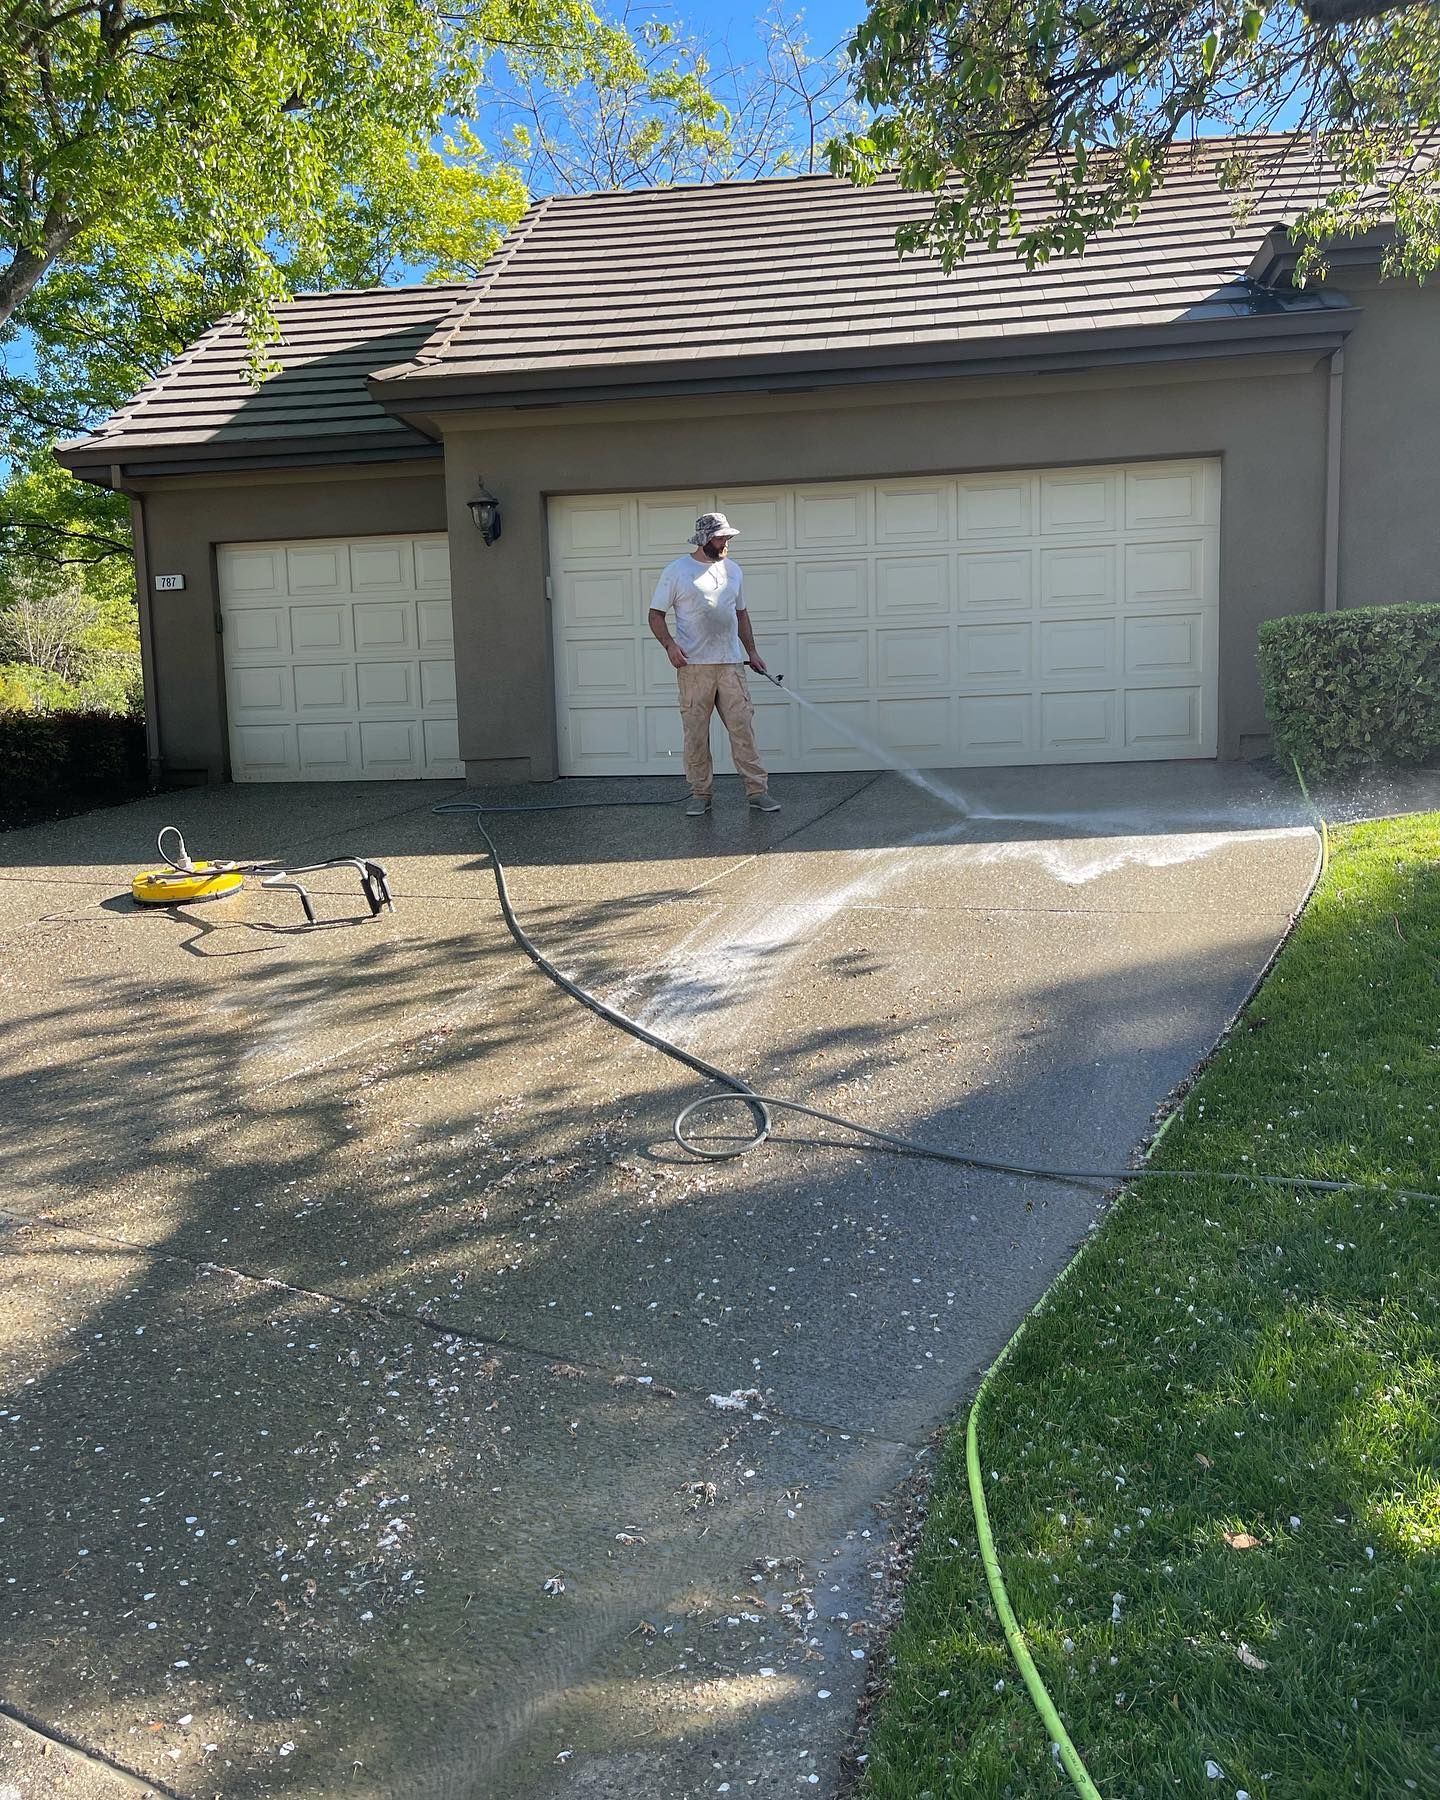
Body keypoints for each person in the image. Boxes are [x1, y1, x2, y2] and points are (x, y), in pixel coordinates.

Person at [648, 511, 780, 817]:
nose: (725, 543)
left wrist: (753, 652)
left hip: (731, 663)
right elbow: (655, 614)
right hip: (694, 667)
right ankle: (700, 793)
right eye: (721, 538)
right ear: (705, 538)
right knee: (696, 733)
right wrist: (670, 646)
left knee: (743, 729)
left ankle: (757, 791)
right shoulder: (677, 571)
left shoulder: (733, 570)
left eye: (728, 538)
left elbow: (741, 614)